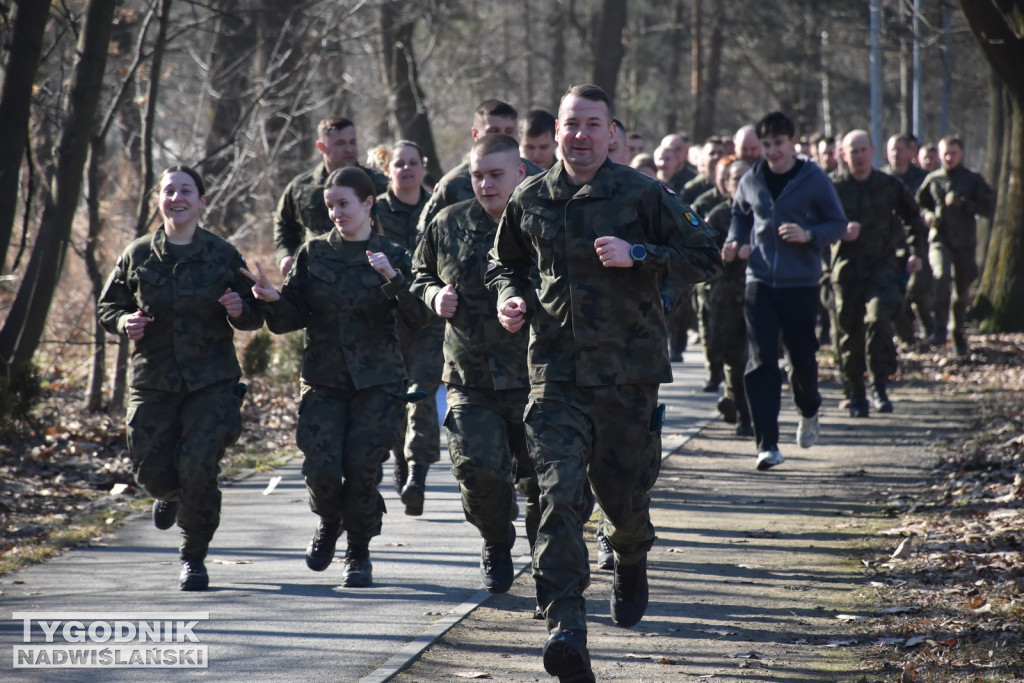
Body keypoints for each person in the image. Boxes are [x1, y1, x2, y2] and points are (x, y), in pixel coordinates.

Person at [487, 84, 722, 682]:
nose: (581, 135)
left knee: (623, 499)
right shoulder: (529, 197)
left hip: (628, 378)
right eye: (572, 124)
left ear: (612, 132)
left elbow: (706, 252)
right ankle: (567, 627)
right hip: (555, 375)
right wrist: (510, 297)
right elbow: (503, 261)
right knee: (557, 496)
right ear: (557, 131)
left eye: (594, 124)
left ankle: (630, 552)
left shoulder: (643, 194)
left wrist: (640, 254)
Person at [246, 167, 432, 587]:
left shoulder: (395, 255)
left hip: (378, 383)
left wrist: (392, 279)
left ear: (368, 204)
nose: (336, 213)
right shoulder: (314, 254)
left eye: (344, 204)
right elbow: (291, 317)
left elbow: (420, 318)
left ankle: (359, 552)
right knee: (322, 470)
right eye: (330, 206)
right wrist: (273, 298)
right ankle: (330, 522)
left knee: (363, 469)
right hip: (324, 381)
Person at [98, 166, 264, 591]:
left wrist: (239, 308)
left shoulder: (223, 254)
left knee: (198, 464)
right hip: (153, 381)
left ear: (202, 200)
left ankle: (193, 555)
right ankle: (168, 496)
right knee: (149, 471)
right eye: (169, 191)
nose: (177, 198)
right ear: (159, 199)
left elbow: (257, 313)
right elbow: (108, 308)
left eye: (186, 190)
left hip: (211, 383)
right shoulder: (137, 254)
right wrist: (124, 323)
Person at [411, 132, 538, 597]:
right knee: (478, 473)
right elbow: (418, 272)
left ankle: (548, 565)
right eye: (477, 175)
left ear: (519, 174)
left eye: (495, 175)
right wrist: (432, 294)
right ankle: (496, 541)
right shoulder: (448, 223)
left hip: (535, 378)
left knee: (543, 483)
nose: (485, 184)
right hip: (469, 378)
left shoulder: (542, 223)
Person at [724, 111, 846, 471]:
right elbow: (740, 214)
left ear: (793, 142)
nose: (772, 152)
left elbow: (837, 223)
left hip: (801, 283)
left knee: (803, 363)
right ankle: (767, 444)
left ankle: (809, 410)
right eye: (766, 145)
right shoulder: (752, 179)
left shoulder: (813, 179)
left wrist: (808, 234)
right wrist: (734, 240)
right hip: (759, 281)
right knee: (761, 362)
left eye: (778, 144)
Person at [831, 130, 926, 417]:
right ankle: (856, 394)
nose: (858, 156)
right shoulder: (832, 187)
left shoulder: (888, 185)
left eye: (863, 150)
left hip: (881, 268)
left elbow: (913, 217)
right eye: (853, 151)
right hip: (846, 270)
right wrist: (839, 231)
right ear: (843, 155)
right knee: (850, 334)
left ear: (872, 151)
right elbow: (814, 222)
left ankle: (879, 385)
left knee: (877, 320)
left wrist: (915, 252)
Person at [375, 140, 444, 515]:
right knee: (395, 395)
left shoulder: (436, 206)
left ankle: (417, 471)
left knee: (421, 393)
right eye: (399, 164)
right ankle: (401, 459)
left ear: (423, 166)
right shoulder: (375, 209)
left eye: (413, 162)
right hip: (385, 318)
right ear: (389, 170)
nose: (406, 169)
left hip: (427, 318)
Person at [273, 117, 389, 277]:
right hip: (317, 276)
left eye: (352, 142)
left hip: (368, 274)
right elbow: (284, 225)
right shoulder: (302, 187)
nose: (349, 149)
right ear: (321, 146)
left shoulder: (378, 184)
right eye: (340, 143)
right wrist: (284, 256)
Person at [915, 135, 996, 355]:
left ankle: (957, 331)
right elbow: (917, 206)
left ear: (961, 154)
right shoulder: (933, 179)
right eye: (945, 153)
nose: (949, 158)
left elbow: (988, 207)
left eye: (953, 153)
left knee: (961, 293)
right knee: (941, 275)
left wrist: (965, 204)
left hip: (964, 243)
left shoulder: (972, 180)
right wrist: (929, 215)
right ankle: (940, 326)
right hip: (939, 239)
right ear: (939, 155)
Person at [418, 99, 543, 233]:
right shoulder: (453, 184)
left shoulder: (538, 179)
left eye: (509, 131)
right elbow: (427, 235)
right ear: (475, 134)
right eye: (494, 131)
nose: (502, 137)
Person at [704, 158, 754, 435]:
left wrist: (754, 249)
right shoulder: (719, 215)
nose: (741, 184)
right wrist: (722, 255)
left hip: (761, 296)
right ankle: (739, 408)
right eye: (735, 179)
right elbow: (701, 257)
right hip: (726, 298)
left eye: (746, 178)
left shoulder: (765, 212)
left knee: (753, 358)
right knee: (732, 358)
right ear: (726, 185)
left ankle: (749, 414)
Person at [883, 133, 934, 346]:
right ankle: (905, 336)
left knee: (918, 289)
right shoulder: (881, 179)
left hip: (918, 242)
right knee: (894, 292)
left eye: (900, 149)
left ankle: (929, 327)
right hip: (889, 244)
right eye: (892, 149)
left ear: (911, 152)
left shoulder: (922, 178)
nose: (896, 153)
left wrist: (929, 215)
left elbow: (932, 205)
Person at [681, 136, 725, 204]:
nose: (716, 157)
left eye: (720, 153)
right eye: (712, 153)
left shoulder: (731, 183)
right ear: (703, 158)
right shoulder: (692, 188)